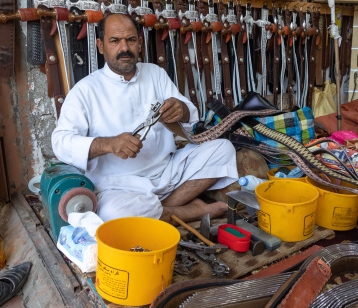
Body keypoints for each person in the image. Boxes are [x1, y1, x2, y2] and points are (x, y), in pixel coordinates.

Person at [52, 13, 238, 224]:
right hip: (119, 186)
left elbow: (190, 117)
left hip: (168, 171)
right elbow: (60, 142)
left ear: (139, 44)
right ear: (101, 46)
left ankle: (164, 210)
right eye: (115, 41)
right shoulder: (85, 90)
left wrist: (181, 110)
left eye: (131, 40)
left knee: (223, 149)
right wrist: (109, 144)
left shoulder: (155, 73)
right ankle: (188, 211)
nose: (125, 48)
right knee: (112, 215)